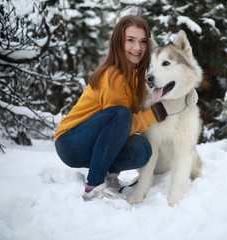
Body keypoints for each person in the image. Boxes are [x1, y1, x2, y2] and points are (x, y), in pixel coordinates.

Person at [54, 15, 194, 201]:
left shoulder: (138, 75)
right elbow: (120, 122)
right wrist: (155, 114)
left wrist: (185, 93)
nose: (137, 47)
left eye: (143, 41)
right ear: (119, 43)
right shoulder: (113, 75)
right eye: (131, 40)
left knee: (142, 150)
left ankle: (108, 175)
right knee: (121, 115)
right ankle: (94, 185)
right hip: (71, 141)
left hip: (94, 141)